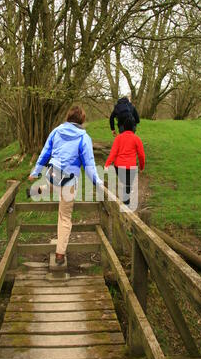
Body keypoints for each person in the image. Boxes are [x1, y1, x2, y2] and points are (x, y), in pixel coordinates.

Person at [28, 106, 102, 265]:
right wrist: (97, 182)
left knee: (50, 184)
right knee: (64, 217)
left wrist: (36, 171)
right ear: (82, 120)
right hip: (69, 179)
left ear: (68, 117)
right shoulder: (84, 137)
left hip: (53, 173)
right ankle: (60, 254)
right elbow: (89, 164)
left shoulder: (56, 132)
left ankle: (38, 189)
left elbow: (45, 152)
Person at [105, 117, 145, 207]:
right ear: (133, 128)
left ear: (124, 127)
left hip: (118, 166)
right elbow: (141, 155)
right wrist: (142, 167)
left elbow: (113, 153)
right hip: (131, 167)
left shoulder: (118, 138)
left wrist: (107, 164)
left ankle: (125, 198)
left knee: (124, 184)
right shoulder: (136, 139)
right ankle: (126, 205)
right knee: (127, 185)